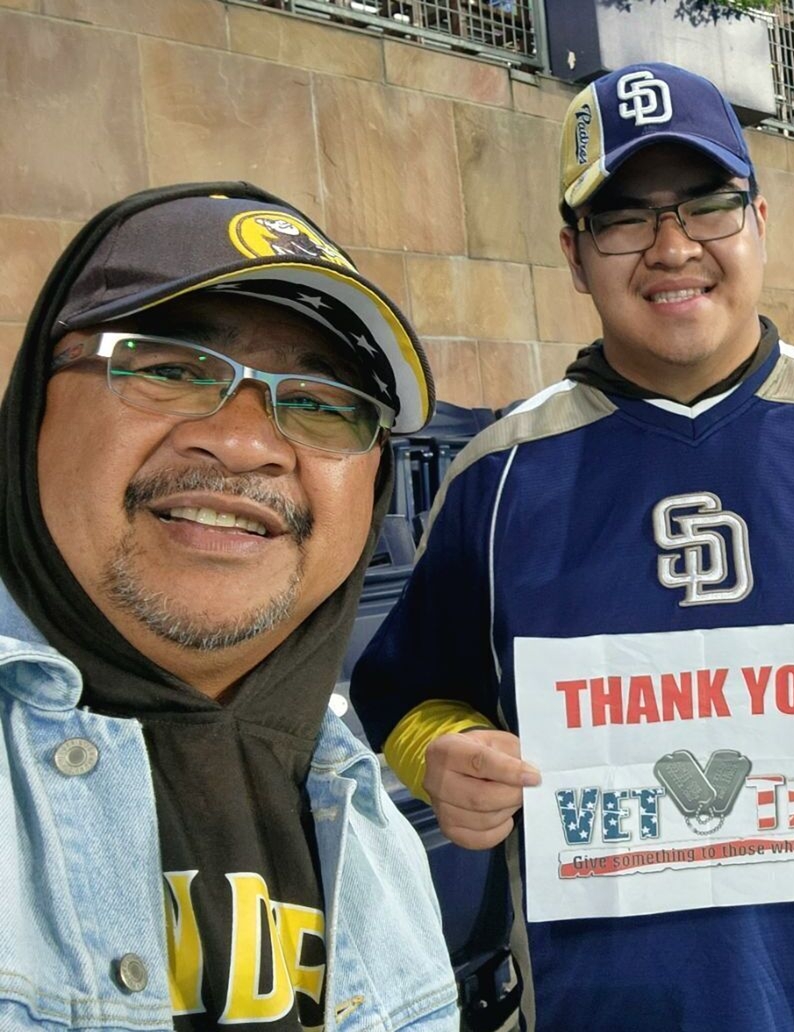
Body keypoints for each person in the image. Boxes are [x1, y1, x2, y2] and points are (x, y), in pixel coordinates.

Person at [351, 63, 794, 1032]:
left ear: (760, 221)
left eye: (707, 205)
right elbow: (407, 690)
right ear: (573, 254)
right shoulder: (498, 480)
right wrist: (443, 755)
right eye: (623, 218)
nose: (672, 248)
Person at [0, 184, 457, 1029]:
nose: (245, 443)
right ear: (34, 412)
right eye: (170, 369)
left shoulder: (366, 823)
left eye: (319, 402)